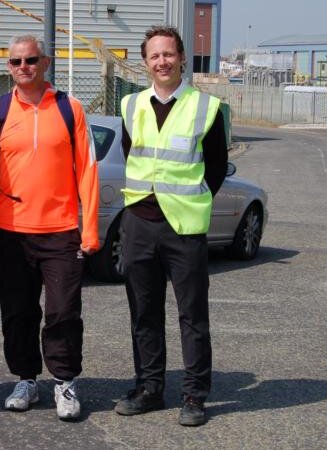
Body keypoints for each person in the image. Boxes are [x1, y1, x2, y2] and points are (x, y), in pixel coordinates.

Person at [0, 34, 99, 421]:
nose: (23, 67)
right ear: (8, 67)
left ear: (45, 62)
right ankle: (26, 379)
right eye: (15, 62)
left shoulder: (70, 108)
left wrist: (90, 228)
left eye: (31, 60)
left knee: (63, 311)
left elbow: (88, 171)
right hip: (12, 232)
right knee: (17, 312)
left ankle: (64, 381)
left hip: (61, 231)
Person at [112, 25, 228, 427]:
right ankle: (149, 388)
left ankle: (195, 395)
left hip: (184, 227)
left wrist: (186, 202)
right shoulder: (130, 105)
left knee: (192, 315)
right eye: (154, 56)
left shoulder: (206, 107)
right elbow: (133, 156)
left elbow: (214, 168)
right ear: (145, 63)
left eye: (168, 54)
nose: (162, 62)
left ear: (181, 58)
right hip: (139, 223)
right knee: (143, 311)